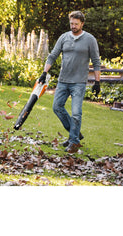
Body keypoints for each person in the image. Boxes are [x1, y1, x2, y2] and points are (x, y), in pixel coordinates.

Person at [38, 11, 101, 153]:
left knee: (76, 113)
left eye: (76, 24)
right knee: (57, 107)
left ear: (82, 24)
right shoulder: (64, 37)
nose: (73, 26)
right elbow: (52, 56)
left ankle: (74, 142)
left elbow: (96, 62)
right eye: (71, 23)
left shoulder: (90, 39)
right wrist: (44, 73)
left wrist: (97, 82)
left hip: (79, 82)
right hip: (63, 80)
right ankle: (75, 132)